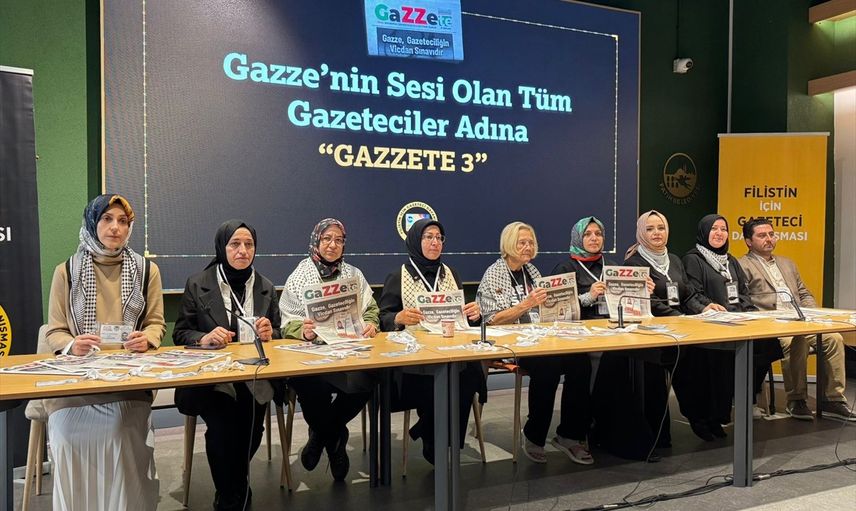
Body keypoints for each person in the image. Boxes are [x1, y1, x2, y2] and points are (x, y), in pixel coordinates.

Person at [45, 194, 165, 511]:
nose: (115, 228)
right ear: (92, 223)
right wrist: (72, 345)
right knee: (67, 435)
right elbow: (54, 331)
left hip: (129, 382)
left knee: (120, 431)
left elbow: (156, 323)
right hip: (76, 386)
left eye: (123, 221)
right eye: (107, 219)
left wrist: (147, 339)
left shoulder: (146, 271)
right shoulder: (66, 271)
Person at [173, 220, 280, 511]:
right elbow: (180, 333)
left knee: (252, 430)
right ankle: (230, 492)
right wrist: (204, 338)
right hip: (213, 379)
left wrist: (270, 333)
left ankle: (234, 484)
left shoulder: (266, 287)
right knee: (223, 429)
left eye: (249, 244)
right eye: (235, 244)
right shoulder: (198, 283)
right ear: (222, 247)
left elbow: (279, 334)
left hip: (253, 376)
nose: (243, 250)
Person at [478, 221, 593, 465]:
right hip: (510, 344)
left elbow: (547, 307)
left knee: (580, 362)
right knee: (548, 366)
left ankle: (569, 435)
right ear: (509, 245)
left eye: (531, 242)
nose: (528, 247)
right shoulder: (495, 273)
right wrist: (525, 305)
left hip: (540, 339)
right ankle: (534, 435)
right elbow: (491, 320)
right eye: (522, 242)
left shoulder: (532, 271)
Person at [279, 218, 380, 481]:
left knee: (368, 378)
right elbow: (286, 322)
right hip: (312, 356)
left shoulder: (353, 274)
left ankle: (322, 435)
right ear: (316, 241)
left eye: (338, 240)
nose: (332, 245)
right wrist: (303, 330)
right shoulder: (300, 276)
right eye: (326, 239)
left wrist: (371, 323)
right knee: (310, 384)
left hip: (349, 353)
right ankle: (336, 439)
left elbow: (371, 308)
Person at [378, 218, 483, 464]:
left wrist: (474, 315)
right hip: (414, 357)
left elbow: (462, 318)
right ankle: (433, 440)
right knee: (436, 377)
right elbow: (383, 318)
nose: (435, 242)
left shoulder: (451, 274)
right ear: (416, 241)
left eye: (438, 237)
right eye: (428, 237)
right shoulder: (397, 276)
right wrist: (399, 317)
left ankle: (433, 433)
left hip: (451, 348)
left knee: (471, 373)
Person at [738, 218, 854, 421]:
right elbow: (744, 300)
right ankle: (796, 400)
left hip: (801, 320)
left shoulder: (787, 263)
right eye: (762, 235)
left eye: (771, 234)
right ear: (748, 241)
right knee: (797, 342)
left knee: (834, 338)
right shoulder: (742, 265)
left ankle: (832, 399)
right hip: (772, 326)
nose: (769, 239)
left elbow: (804, 293)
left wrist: (813, 314)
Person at [681, 214, 782, 440]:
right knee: (714, 365)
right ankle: (703, 419)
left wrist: (749, 313)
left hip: (736, 322)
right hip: (709, 324)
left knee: (768, 345)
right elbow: (692, 293)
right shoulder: (693, 259)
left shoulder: (730, 260)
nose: (719, 233)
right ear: (704, 232)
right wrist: (708, 307)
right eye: (714, 229)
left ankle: (732, 407)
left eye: (723, 229)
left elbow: (743, 292)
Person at [624, 210, 721, 446]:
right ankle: (658, 436)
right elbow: (648, 302)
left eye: (660, 228)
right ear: (641, 233)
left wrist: (704, 308)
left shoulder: (674, 259)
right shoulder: (634, 263)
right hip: (651, 335)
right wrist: (679, 319)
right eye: (650, 229)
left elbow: (687, 293)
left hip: (680, 329)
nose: (656, 233)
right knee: (657, 377)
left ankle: (701, 418)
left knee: (701, 360)